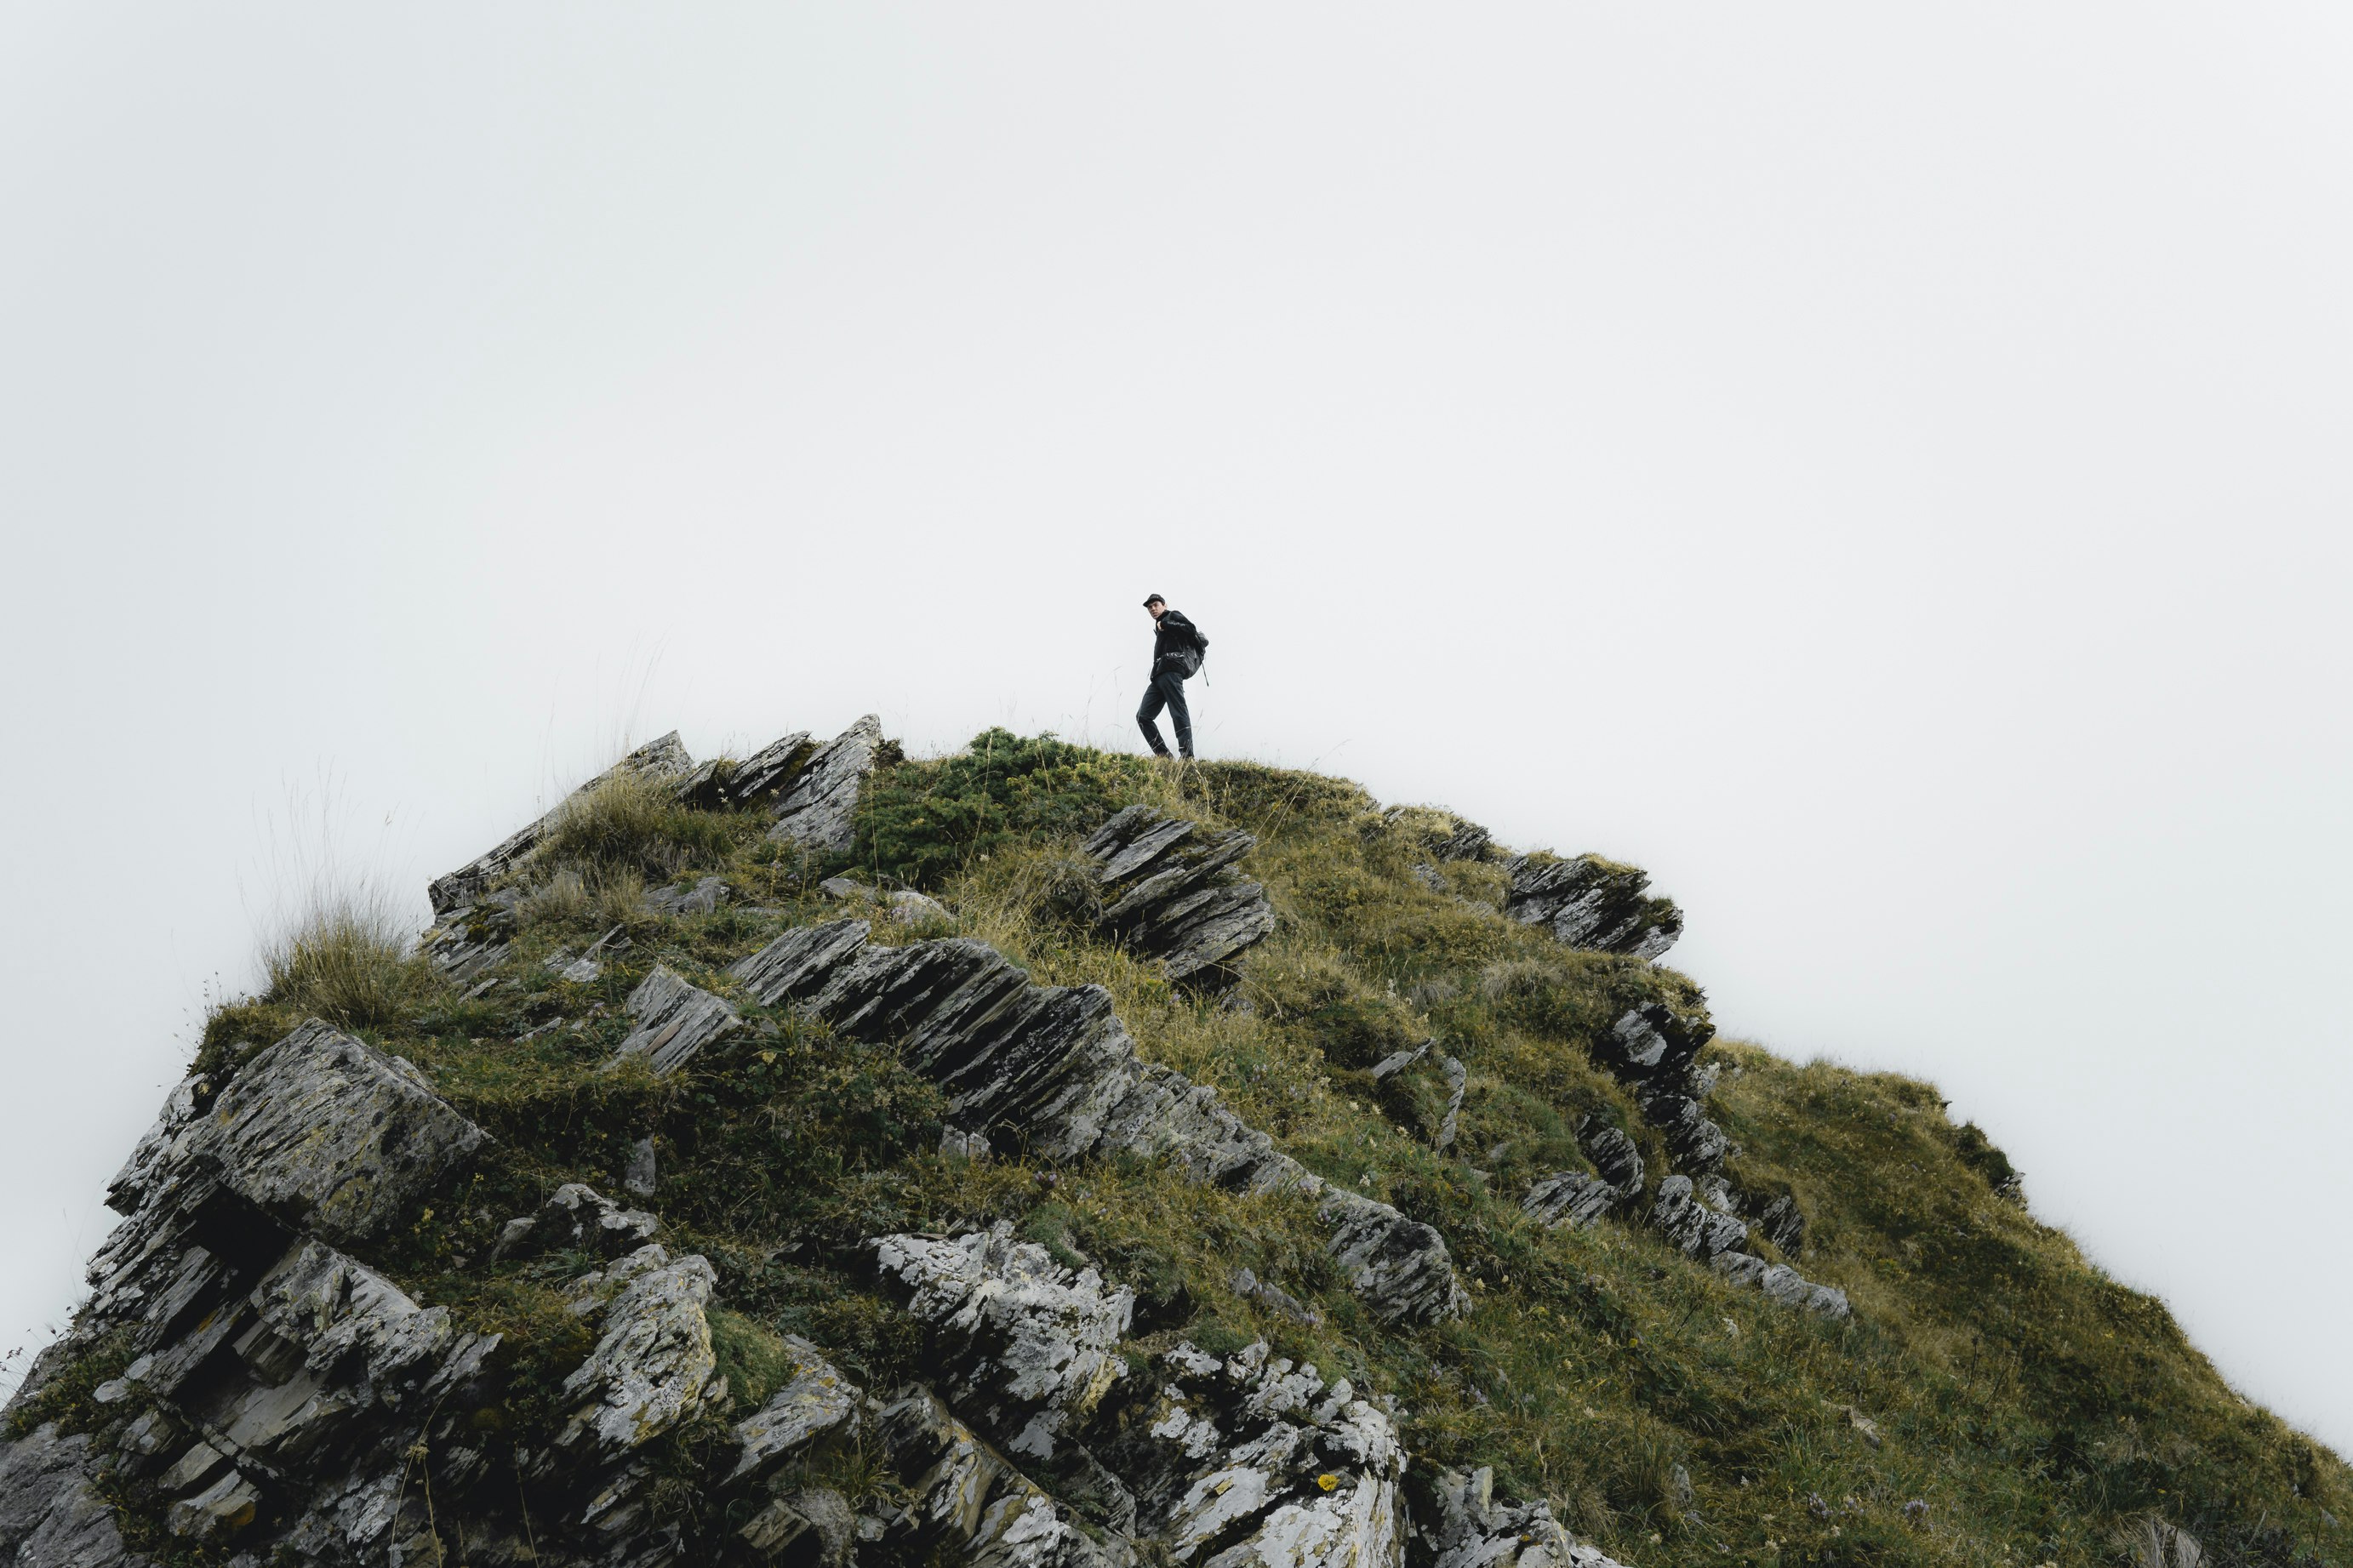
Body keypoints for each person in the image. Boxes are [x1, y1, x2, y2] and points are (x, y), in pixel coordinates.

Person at [1136, 593, 1204, 759]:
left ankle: (1187, 756)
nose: (1152, 609)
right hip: (1159, 675)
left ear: (1164, 605)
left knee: (1178, 712)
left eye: (1156, 605)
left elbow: (1190, 628)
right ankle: (1164, 756)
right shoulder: (1158, 626)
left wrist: (1166, 623)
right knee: (1143, 716)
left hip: (1172, 670)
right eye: (1150, 607)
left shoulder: (1171, 615)